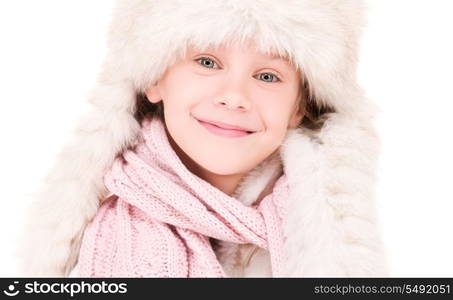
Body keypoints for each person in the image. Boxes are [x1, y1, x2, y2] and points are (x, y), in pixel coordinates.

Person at [16, 0, 389, 277]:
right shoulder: (95, 246)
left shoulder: (328, 240)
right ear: (154, 78)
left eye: (268, 76)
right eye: (207, 62)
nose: (234, 96)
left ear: (298, 108)